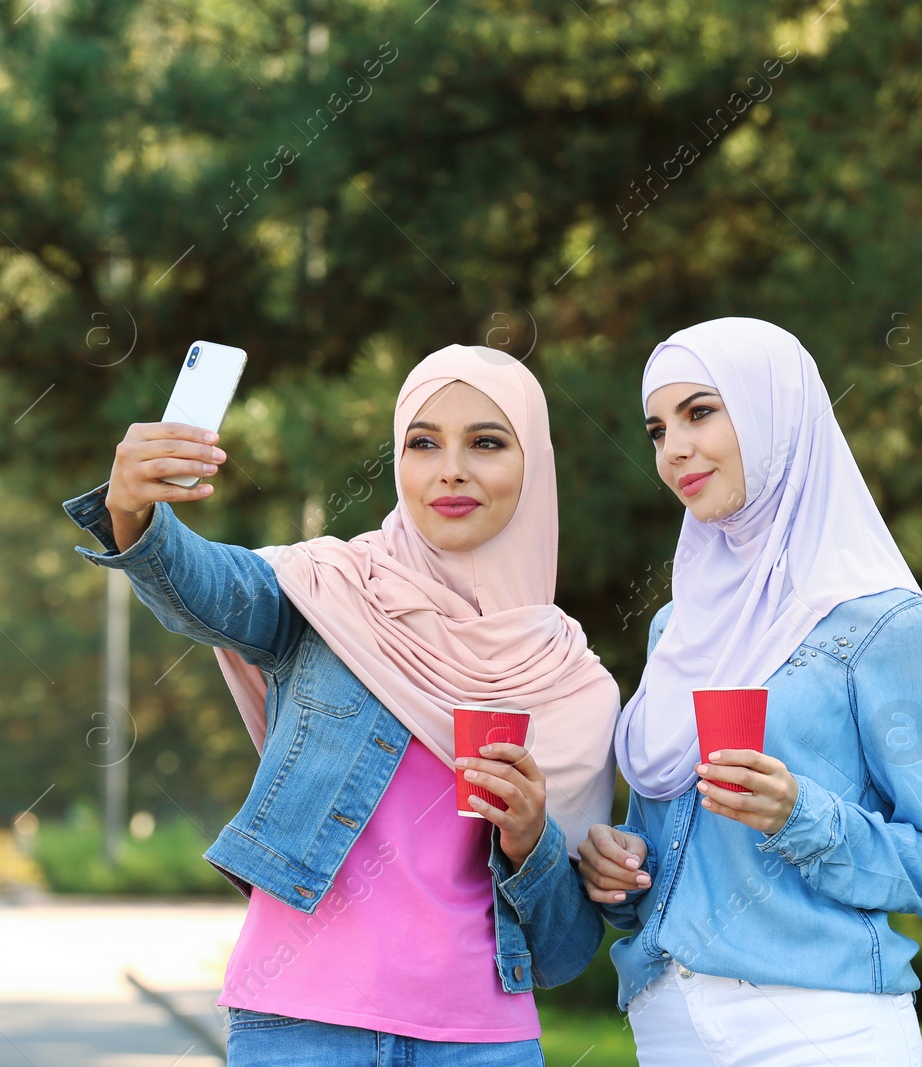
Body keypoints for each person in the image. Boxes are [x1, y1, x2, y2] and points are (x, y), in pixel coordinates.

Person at [62, 345, 616, 1066]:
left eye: (486, 441)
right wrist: (133, 513)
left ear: (533, 465)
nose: (451, 467)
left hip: (483, 1040)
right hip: (300, 1023)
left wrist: (528, 838)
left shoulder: (574, 685)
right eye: (423, 443)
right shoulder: (328, 593)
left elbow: (565, 947)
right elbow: (210, 589)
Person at [575, 317, 922, 1066]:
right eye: (656, 429)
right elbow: (669, 854)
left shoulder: (881, 623)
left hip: (821, 1023)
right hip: (667, 1017)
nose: (674, 449)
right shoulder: (679, 625)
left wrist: (803, 815)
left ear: (775, 414)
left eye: (701, 412)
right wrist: (620, 867)